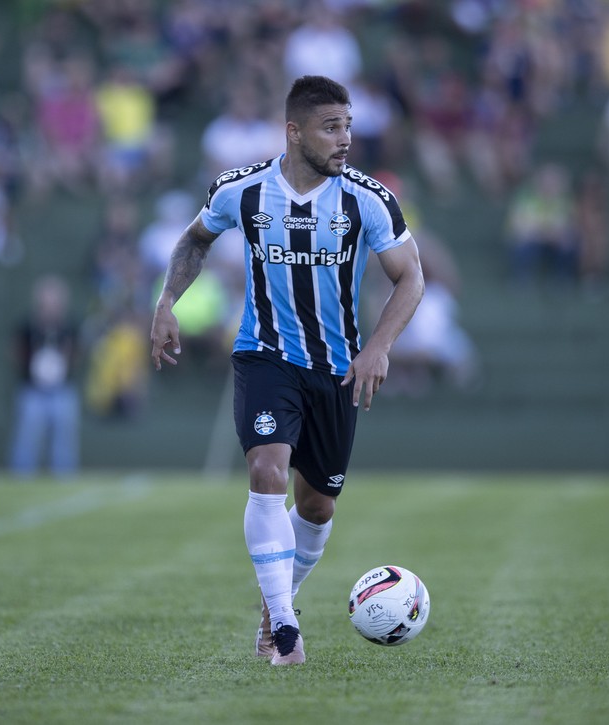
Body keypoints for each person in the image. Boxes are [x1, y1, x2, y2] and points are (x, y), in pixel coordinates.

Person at [149, 75, 424, 666]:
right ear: (293, 132)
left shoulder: (366, 198)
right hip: (265, 356)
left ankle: (278, 605)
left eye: (348, 126)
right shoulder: (242, 189)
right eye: (331, 127)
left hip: (337, 370)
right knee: (267, 469)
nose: (345, 139)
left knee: (318, 507)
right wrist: (166, 303)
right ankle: (286, 634)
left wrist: (378, 347)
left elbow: (412, 276)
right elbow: (194, 242)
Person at [8, 274, 81, 478]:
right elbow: (15, 352)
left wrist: (63, 362)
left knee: (64, 438)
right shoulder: (27, 325)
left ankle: (64, 476)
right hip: (33, 389)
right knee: (28, 436)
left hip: (61, 389)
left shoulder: (68, 327)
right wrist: (32, 365)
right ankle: (21, 476)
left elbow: (76, 353)